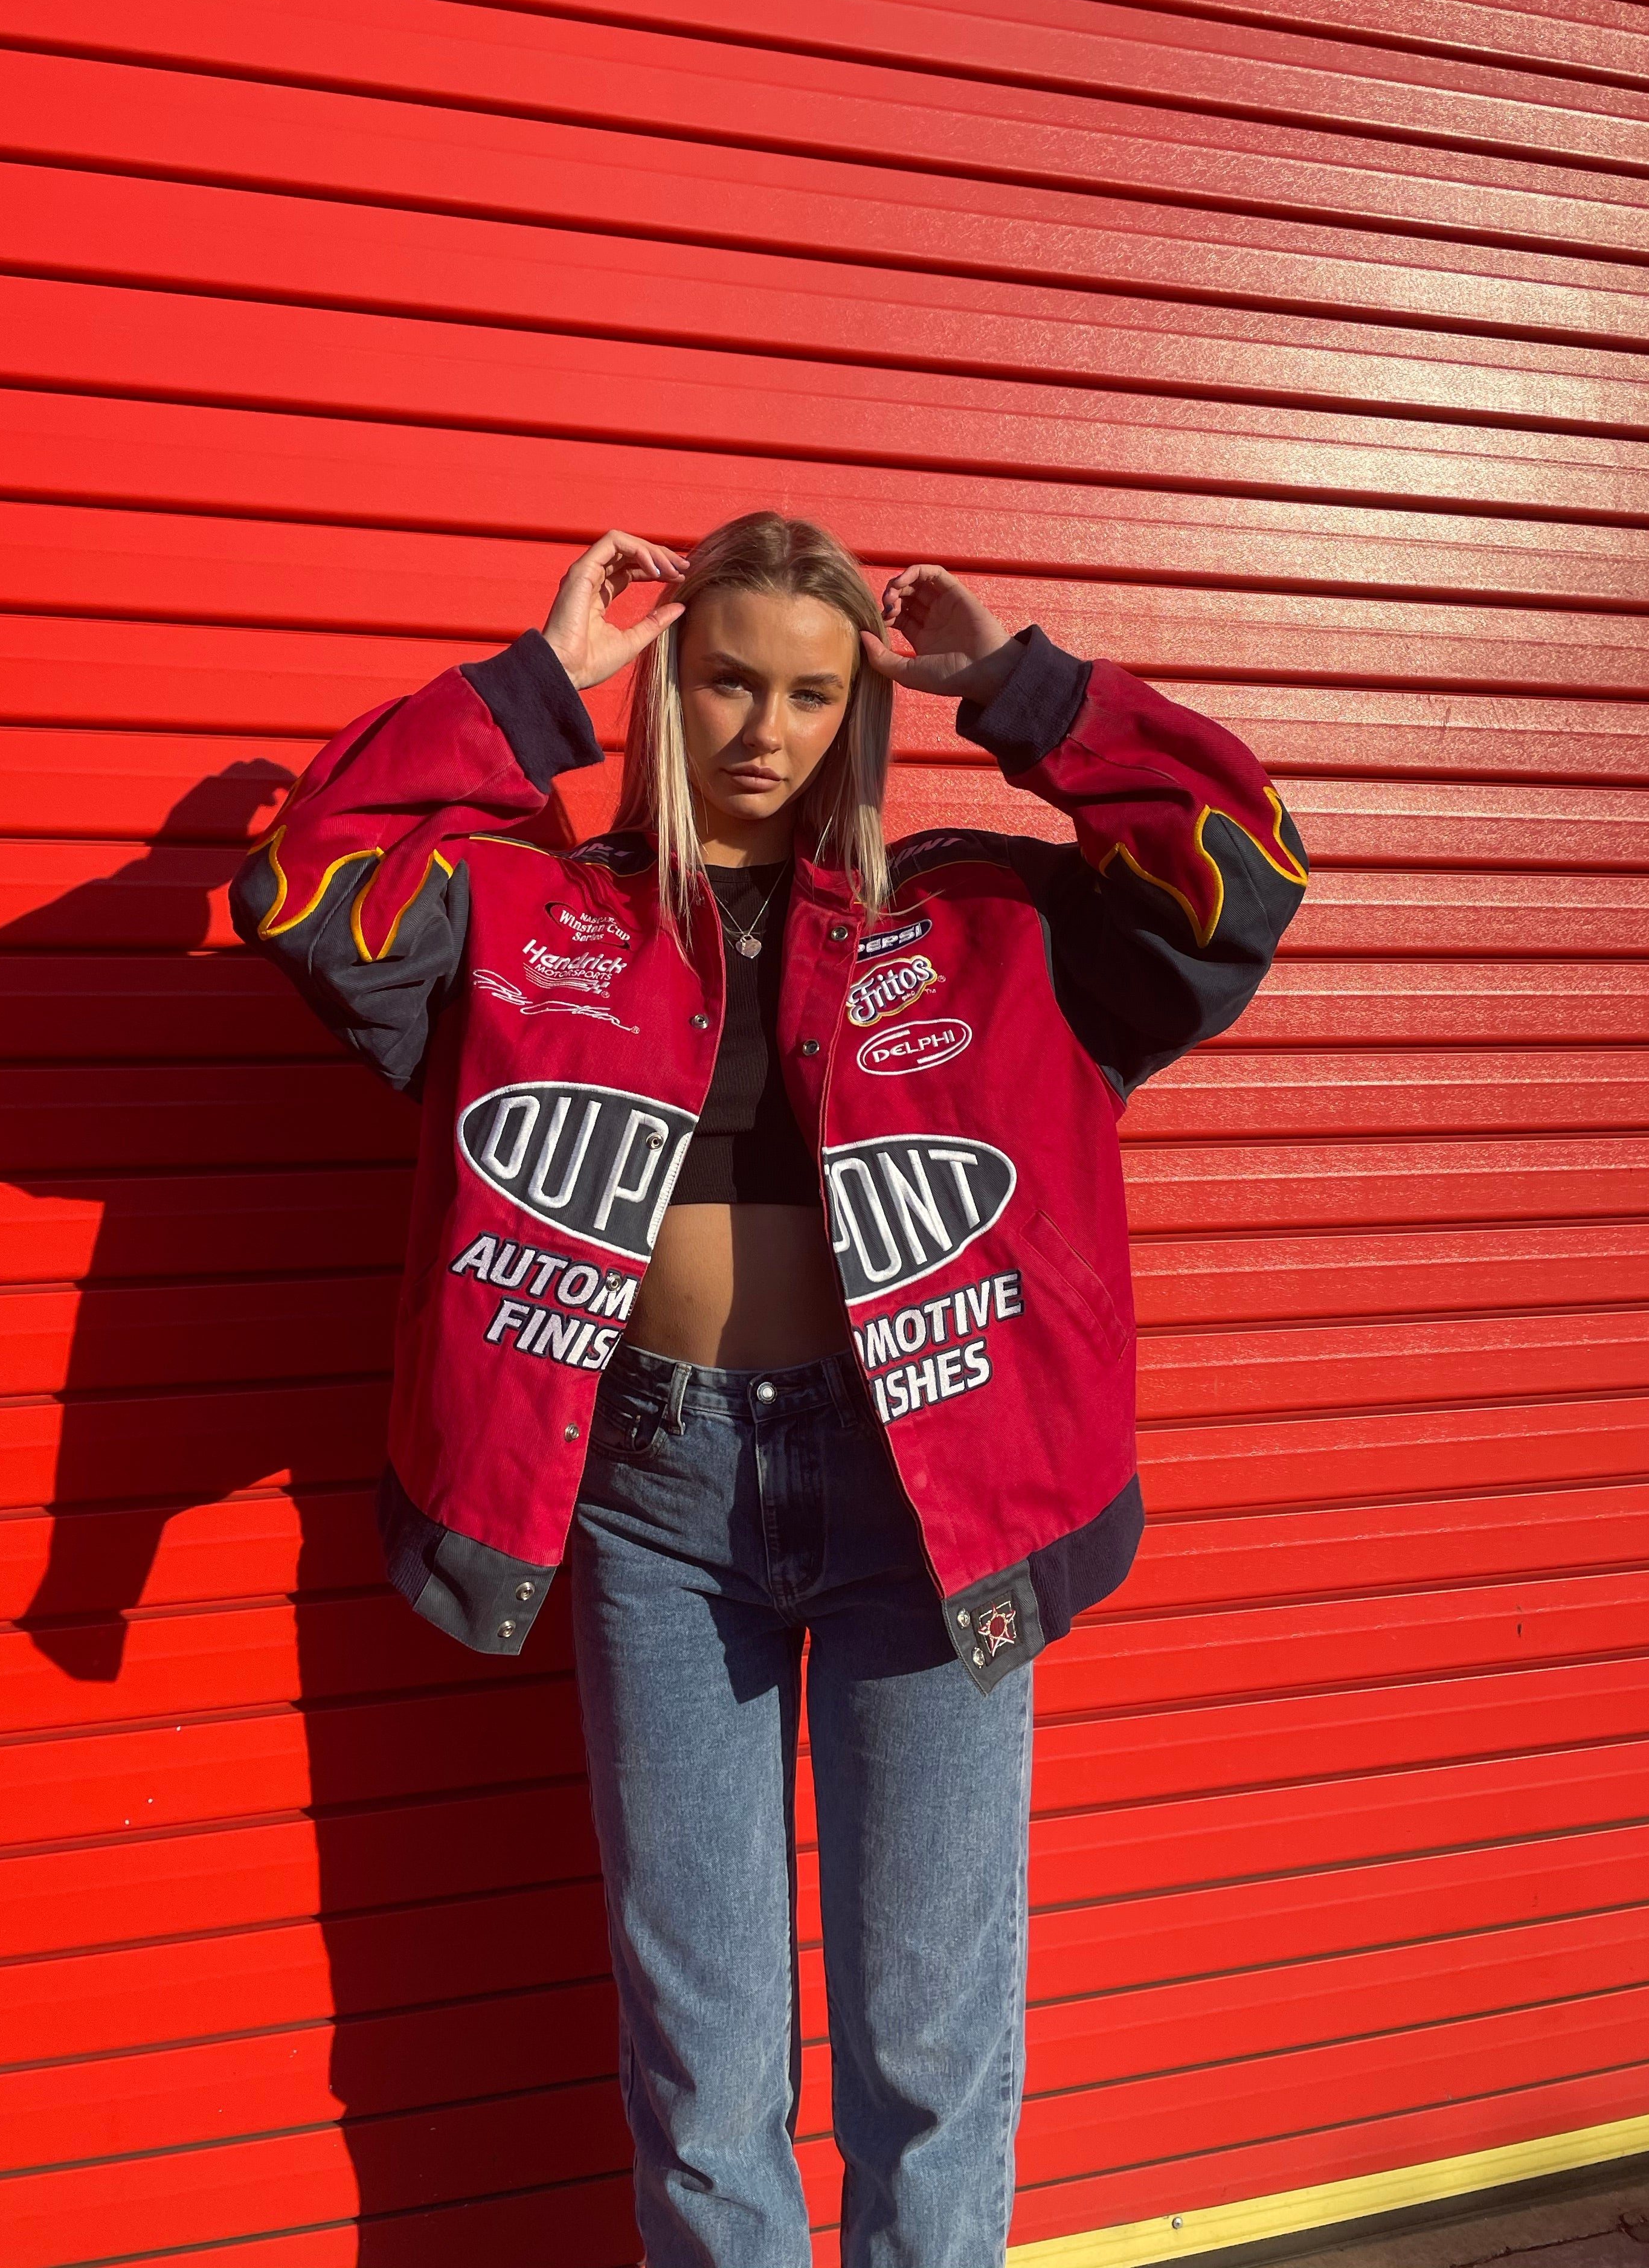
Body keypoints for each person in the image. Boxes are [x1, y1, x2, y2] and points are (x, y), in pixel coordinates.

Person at [231, 512, 1308, 2267]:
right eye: (727, 679)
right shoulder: (533, 910)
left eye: (812, 694)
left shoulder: (984, 917)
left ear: (858, 713)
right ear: (669, 685)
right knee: (703, 2058)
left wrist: (1024, 691)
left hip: (930, 1494)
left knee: (930, 2050)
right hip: (653, 1500)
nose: (766, 728)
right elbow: (304, 880)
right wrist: (534, 687)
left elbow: (1239, 870)